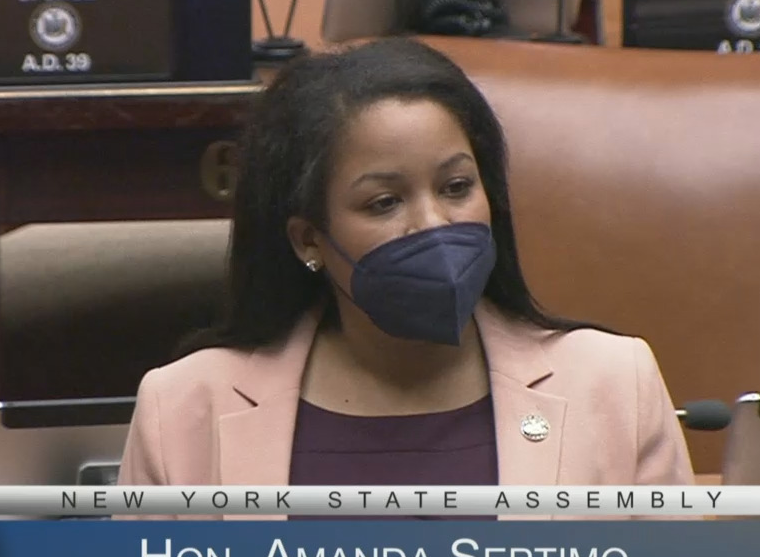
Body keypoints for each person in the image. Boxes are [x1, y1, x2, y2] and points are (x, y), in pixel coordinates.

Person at [117, 38, 694, 518]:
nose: (434, 224)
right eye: (385, 202)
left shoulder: (614, 384)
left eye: (456, 187)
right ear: (309, 239)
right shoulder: (184, 407)